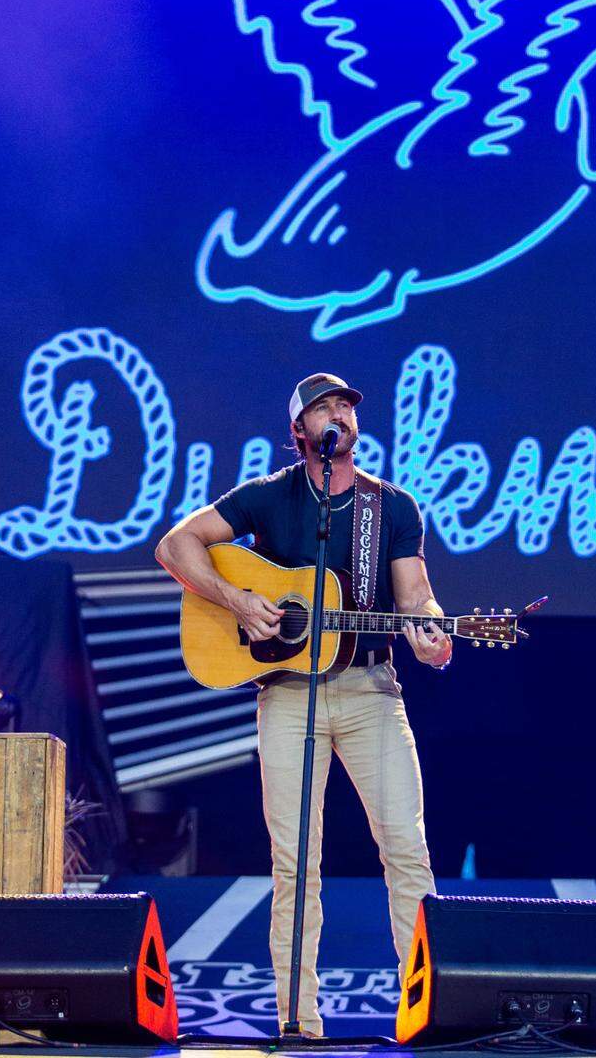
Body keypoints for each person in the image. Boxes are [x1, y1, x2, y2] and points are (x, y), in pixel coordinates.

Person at [157, 372, 451, 1036]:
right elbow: (175, 544)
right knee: (295, 861)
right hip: (288, 696)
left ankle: (428, 1014)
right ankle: (300, 1025)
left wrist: (433, 632)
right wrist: (236, 599)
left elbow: (417, 598)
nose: (339, 413)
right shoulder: (266, 497)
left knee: (407, 849)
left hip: (373, 691)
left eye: (346, 404)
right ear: (299, 431)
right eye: (324, 407)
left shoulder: (392, 507)